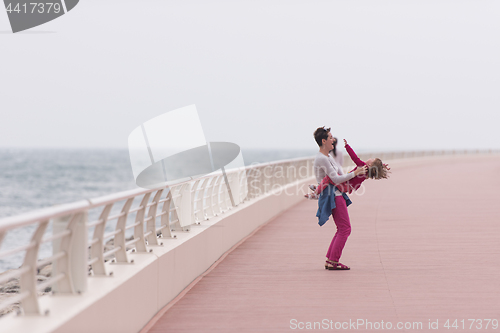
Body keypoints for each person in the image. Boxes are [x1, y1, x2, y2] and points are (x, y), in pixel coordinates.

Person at [313, 127, 367, 270]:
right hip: (333, 196)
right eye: (330, 137)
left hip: (336, 194)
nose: (333, 140)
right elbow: (336, 179)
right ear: (323, 141)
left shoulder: (327, 157)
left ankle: (330, 260)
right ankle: (333, 261)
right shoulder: (322, 158)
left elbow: (338, 175)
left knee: (342, 228)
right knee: (345, 229)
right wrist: (356, 173)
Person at [307, 139, 390, 198]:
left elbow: (354, 157)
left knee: (330, 177)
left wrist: (347, 146)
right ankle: (318, 187)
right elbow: (375, 168)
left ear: (370, 164)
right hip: (347, 187)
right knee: (332, 179)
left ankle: (316, 193)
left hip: (345, 185)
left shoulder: (363, 166)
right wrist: (382, 166)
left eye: (371, 159)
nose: (370, 158)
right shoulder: (368, 173)